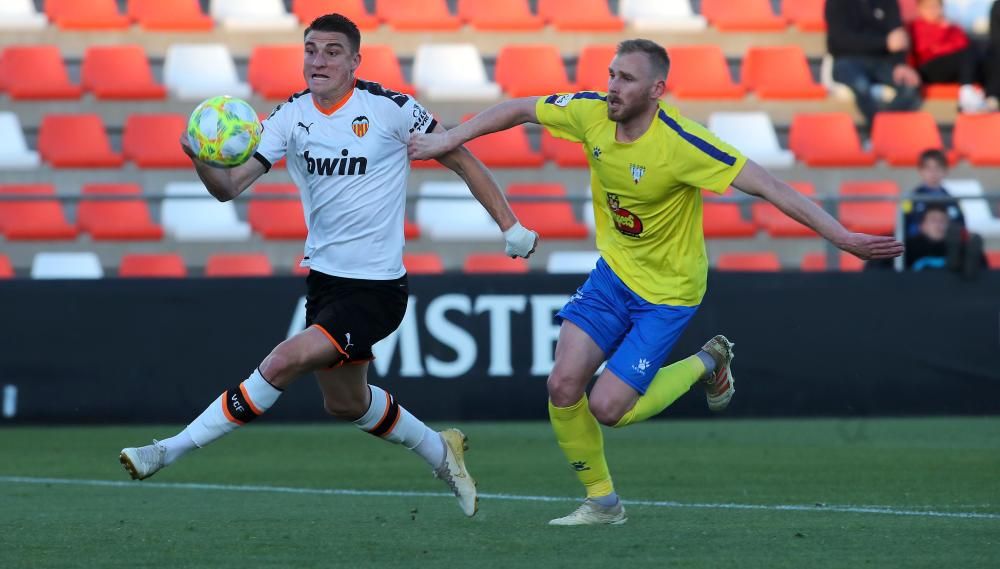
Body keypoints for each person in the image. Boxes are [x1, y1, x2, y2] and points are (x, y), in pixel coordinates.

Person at [408, 39, 904, 526]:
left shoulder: (684, 144)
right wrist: (451, 138)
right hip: (613, 276)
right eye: (611, 75)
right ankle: (603, 503)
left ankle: (709, 359)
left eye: (626, 79)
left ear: (656, 89)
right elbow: (519, 109)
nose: (612, 87)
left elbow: (770, 186)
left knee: (607, 409)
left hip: (667, 294)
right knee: (562, 385)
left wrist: (839, 235)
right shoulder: (591, 113)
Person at [118, 13, 539, 518]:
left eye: (332, 51)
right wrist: (199, 158)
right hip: (325, 283)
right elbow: (229, 188)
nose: (319, 60)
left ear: (355, 61)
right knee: (346, 404)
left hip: (377, 290)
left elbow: (462, 158)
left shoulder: (390, 109)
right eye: (311, 50)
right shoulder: (289, 117)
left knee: (283, 361)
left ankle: (167, 450)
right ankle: (439, 450)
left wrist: (510, 226)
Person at [825, 0, 923, 126]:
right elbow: (839, 41)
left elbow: (898, 37)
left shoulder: (888, 3)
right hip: (847, 60)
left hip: (882, 61)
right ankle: (882, 131)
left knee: (910, 86)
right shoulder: (837, 2)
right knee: (861, 85)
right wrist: (884, 43)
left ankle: (881, 127)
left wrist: (901, 64)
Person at [908, 0, 988, 113]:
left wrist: (947, 33)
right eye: (928, 7)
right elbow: (929, 50)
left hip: (955, 67)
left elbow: (964, 43)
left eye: (936, 6)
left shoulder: (952, 27)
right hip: (928, 69)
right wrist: (944, 32)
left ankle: (988, 97)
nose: (933, 10)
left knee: (985, 55)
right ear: (920, 9)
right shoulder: (916, 27)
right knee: (966, 54)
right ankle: (967, 94)